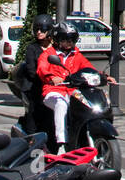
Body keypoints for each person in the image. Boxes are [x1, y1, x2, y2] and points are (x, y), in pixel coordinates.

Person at [37, 20, 115, 152]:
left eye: (72, 40)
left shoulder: (76, 55)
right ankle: (62, 144)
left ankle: (83, 135)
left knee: (85, 105)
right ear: (58, 39)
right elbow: (42, 68)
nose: (69, 43)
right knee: (61, 105)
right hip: (53, 91)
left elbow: (88, 68)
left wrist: (104, 77)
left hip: (72, 91)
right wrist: (51, 78)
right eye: (66, 39)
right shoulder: (49, 54)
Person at [15, 14, 53, 135]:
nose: (39, 32)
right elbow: (31, 70)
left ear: (49, 30)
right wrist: (47, 79)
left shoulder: (56, 48)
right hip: (36, 86)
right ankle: (32, 138)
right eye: (36, 29)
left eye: (42, 29)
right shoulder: (32, 48)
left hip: (54, 87)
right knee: (35, 110)